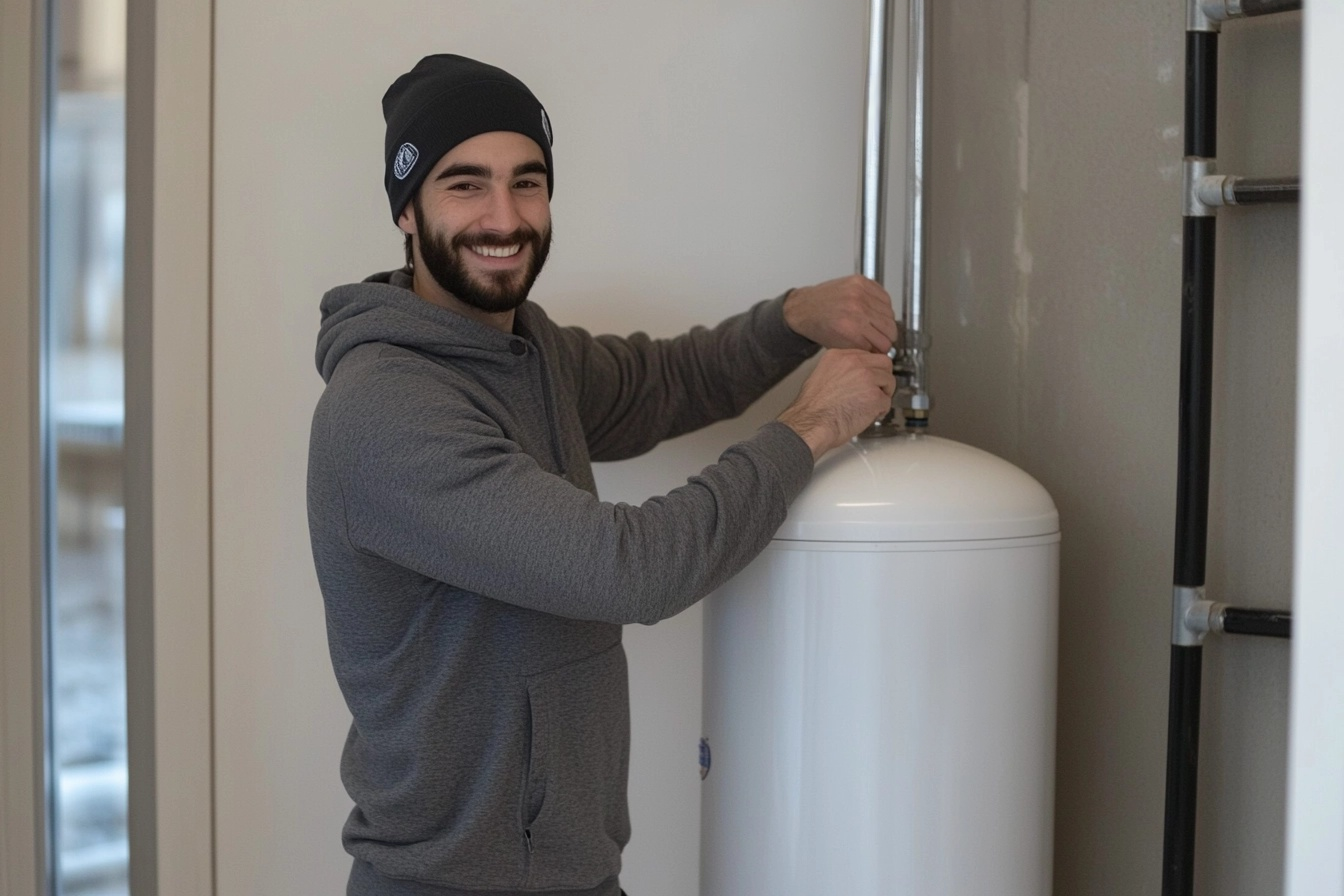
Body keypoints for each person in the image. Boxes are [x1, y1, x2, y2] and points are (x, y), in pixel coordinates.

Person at [307, 53, 897, 896]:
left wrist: (791, 318)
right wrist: (814, 423)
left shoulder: (524, 349)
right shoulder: (386, 412)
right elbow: (629, 569)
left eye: (528, 181)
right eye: (465, 184)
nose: (504, 216)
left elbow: (662, 382)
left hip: (566, 872)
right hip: (455, 883)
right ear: (408, 208)